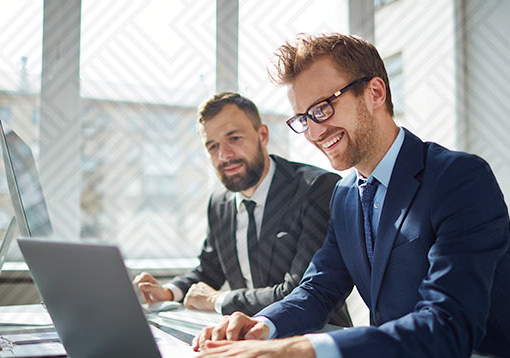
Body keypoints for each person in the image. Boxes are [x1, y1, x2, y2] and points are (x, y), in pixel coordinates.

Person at [172, 33, 510, 358]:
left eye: (322, 108)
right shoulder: (345, 194)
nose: (315, 133)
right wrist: (262, 327)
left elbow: (448, 326)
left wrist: (306, 350)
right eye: (303, 119)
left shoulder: (459, 178)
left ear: (375, 92)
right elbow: (317, 289)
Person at [134, 92, 351, 326]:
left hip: (315, 340)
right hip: (246, 340)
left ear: (263, 135)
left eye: (234, 138)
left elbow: (298, 292)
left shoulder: (316, 188)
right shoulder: (220, 202)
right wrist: (168, 292)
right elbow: (209, 270)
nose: (224, 155)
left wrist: (220, 300)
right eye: (213, 146)